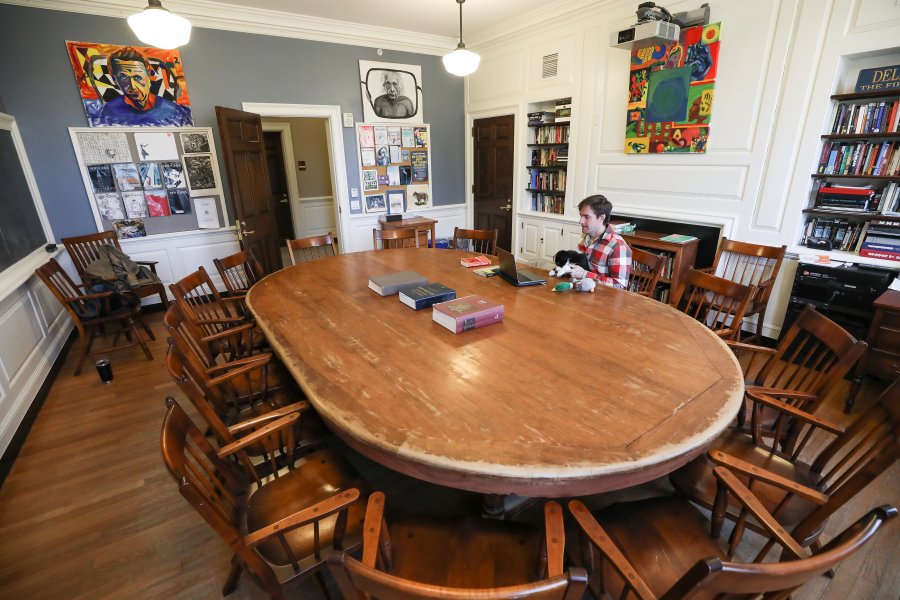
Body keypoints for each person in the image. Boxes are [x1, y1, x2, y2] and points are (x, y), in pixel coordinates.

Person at [96, 47, 192, 126]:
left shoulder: (172, 110)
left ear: (149, 76)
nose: (133, 86)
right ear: (115, 80)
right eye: (123, 77)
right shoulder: (109, 112)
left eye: (137, 77)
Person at [569, 195, 631, 289]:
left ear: (601, 218)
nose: (580, 221)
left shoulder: (617, 245)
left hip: (604, 299)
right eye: (581, 216)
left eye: (586, 217)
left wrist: (585, 275)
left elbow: (619, 285)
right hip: (583, 291)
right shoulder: (585, 237)